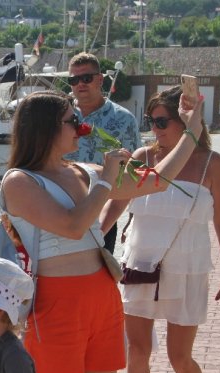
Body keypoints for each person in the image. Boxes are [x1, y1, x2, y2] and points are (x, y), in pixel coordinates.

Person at [1, 89, 203, 373]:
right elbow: (74, 225)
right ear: (44, 128)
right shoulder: (19, 181)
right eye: (72, 121)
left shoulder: (83, 171)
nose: (81, 127)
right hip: (56, 305)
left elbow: (160, 181)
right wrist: (108, 177)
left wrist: (194, 123)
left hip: (102, 299)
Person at [109, 86, 220, 373]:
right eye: (152, 120)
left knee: (181, 357)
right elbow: (116, 202)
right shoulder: (142, 157)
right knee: (137, 352)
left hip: (187, 267)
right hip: (140, 265)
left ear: (188, 123)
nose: (155, 128)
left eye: (162, 121)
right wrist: (94, 237)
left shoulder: (212, 163)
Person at [63, 52, 142, 254]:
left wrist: (102, 229)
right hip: (58, 214)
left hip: (101, 218)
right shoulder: (58, 116)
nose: (80, 84)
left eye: (86, 78)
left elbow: (130, 176)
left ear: (99, 80)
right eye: (73, 79)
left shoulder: (124, 120)